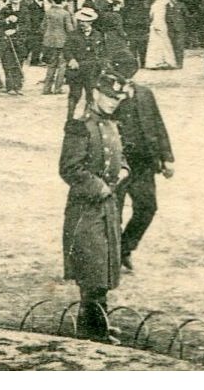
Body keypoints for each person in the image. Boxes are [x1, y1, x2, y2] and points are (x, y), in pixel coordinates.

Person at [61, 71, 131, 342]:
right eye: (109, 97)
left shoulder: (111, 124)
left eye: (117, 98)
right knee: (92, 269)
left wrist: (124, 169)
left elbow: (119, 155)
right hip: (86, 209)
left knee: (105, 267)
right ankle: (93, 331)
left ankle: (97, 323)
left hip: (108, 208)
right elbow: (69, 168)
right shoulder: (80, 126)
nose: (113, 102)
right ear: (96, 94)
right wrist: (98, 187)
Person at [115, 74, 174, 271]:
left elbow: (158, 125)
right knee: (113, 212)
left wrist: (167, 157)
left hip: (143, 163)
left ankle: (125, 247)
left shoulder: (145, 93)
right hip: (117, 164)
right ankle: (108, 255)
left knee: (147, 207)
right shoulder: (107, 95)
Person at [143, 0, 178, 70]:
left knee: (159, 44)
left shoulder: (159, 5)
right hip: (158, 26)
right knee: (159, 44)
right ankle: (157, 62)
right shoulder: (159, 5)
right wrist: (157, 27)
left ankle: (161, 61)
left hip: (158, 26)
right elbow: (156, 17)